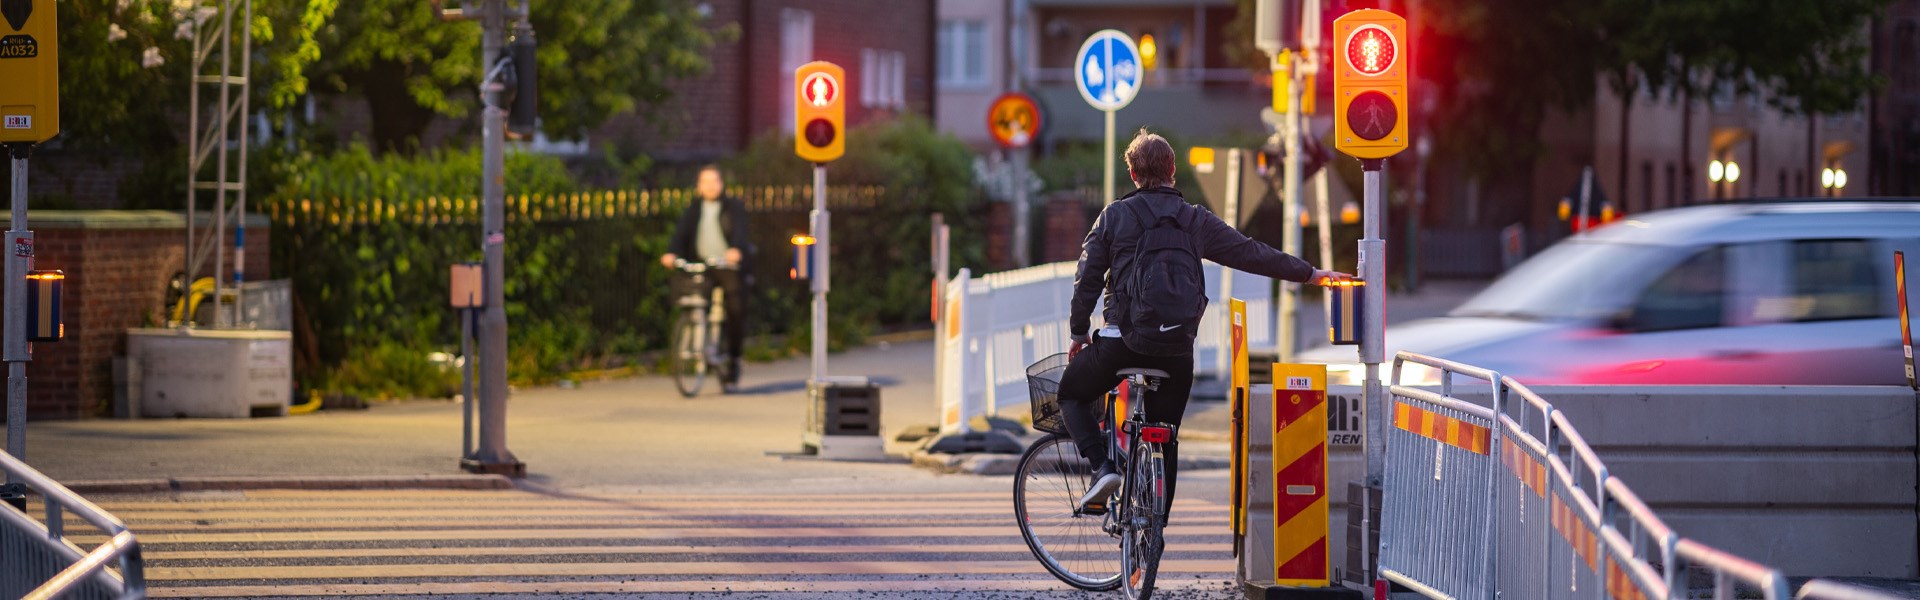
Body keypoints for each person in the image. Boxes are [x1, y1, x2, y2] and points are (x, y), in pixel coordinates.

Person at [1061, 129, 1353, 512]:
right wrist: (1312, 273)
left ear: (1132, 174)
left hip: (1121, 344)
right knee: (1166, 435)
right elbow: (1251, 253)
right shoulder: (1194, 220)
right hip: (1177, 350)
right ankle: (1154, 528)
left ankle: (1103, 469)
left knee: (1070, 393)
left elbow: (1087, 279)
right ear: (1173, 171)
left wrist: (1080, 333)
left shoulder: (1114, 216)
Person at [660, 165, 753, 387]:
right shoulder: (694, 209)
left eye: (714, 181)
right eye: (705, 181)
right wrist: (671, 253)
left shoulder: (733, 207)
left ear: (721, 184)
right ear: (699, 186)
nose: (710, 186)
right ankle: (697, 338)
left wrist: (736, 251)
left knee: (734, 307)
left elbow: (741, 232)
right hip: (702, 263)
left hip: (725, 265)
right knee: (694, 297)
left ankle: (733, 359)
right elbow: (681, 233)